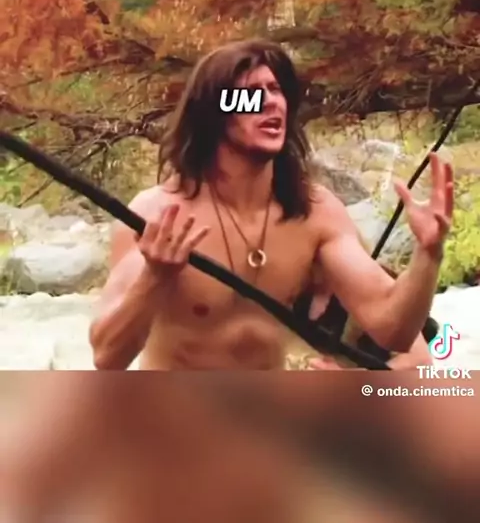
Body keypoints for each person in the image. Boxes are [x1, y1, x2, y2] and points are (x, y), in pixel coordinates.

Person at [89, 39, 453, 371]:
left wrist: (428, 253)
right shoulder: (157, 214)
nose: (271, 102)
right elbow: (107, 357)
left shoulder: (315, 212)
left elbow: (394, 330)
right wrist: (155, 277)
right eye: (250, 95)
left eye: (276, 91)